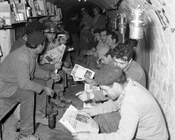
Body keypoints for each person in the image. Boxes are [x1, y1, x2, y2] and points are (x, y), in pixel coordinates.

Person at [73, 71, 169, 140]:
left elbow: (123, 137)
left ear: (116, 86)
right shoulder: (129, 84)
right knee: (103, 118)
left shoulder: (130, 103)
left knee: (98, 130)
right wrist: (92, 111)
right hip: (144, 132)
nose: (105, 94)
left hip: (148, 138)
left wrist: (89, 137)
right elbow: (115, 104)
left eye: (105, 90)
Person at [0, 32, 60, 140]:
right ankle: (25, 134)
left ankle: (38, 115)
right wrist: (43, 88)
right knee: (27, 94)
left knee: (41, 82)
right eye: (44, 44)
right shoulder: (22, 56)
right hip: (4, 86)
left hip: (15, 82)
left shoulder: (31, 52)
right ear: (40, 45)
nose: (44, 46)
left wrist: (49, 75)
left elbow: (34, 70)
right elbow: (24, 83)